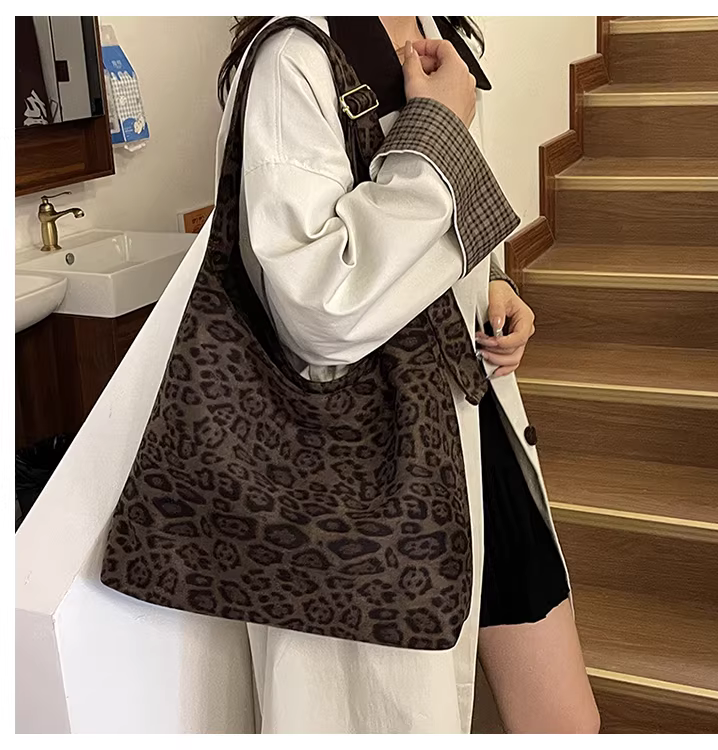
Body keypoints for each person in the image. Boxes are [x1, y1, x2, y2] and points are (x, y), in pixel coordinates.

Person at [215, 15, 600, 734]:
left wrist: (493, 282)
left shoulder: (433, 21)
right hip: (369, 463)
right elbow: (320, 307)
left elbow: (451, 202)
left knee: (564, 722)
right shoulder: (291, 54)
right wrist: (435, 129)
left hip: (471, 410)